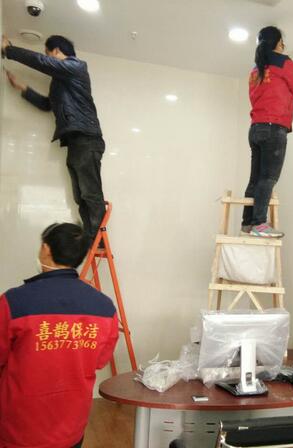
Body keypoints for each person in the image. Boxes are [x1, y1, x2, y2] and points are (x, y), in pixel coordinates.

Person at [0, 223, 119, 448]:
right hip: (71, 426)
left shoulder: (14, 302)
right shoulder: (104, 307)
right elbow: (99, 360)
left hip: (20, 427)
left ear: (46, 249)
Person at [2, 35, 106, 242]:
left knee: (89, 193)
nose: (47, 58)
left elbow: (42, 63)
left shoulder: (76, 66)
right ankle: (91, 237)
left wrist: (9, 50)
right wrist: (23, 88)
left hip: (87, 138)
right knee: (80, 195)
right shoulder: (61, 81)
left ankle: (96, 238)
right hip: (76, 141)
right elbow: (47, 105)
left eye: (48, 53)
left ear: (56, 50)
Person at [241, 26, 293, 238]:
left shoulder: (255, 70)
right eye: (282, 42)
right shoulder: (283, 62)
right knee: (268, 178)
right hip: (273, 128)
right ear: (278, 43)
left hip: (255, 128)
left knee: (255, 178)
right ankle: (259, 224)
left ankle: (247, 223)